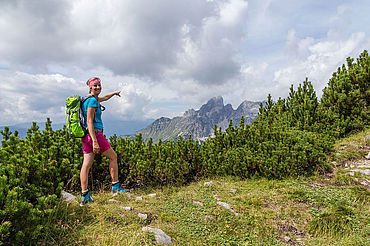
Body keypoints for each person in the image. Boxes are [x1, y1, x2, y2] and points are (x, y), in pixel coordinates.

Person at [80, 77, 128, 206]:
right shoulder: (92, 102)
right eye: (95, 85)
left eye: (99, 85)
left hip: (85, 136)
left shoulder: (89, 100)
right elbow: (90, 121)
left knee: (86, 165)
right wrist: (95, 141)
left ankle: (85, 195)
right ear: (90, 87)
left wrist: (114, 94)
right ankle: (115, 186)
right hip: (95, 134)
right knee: (113, 157)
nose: (98, 87)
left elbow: (104, 97)